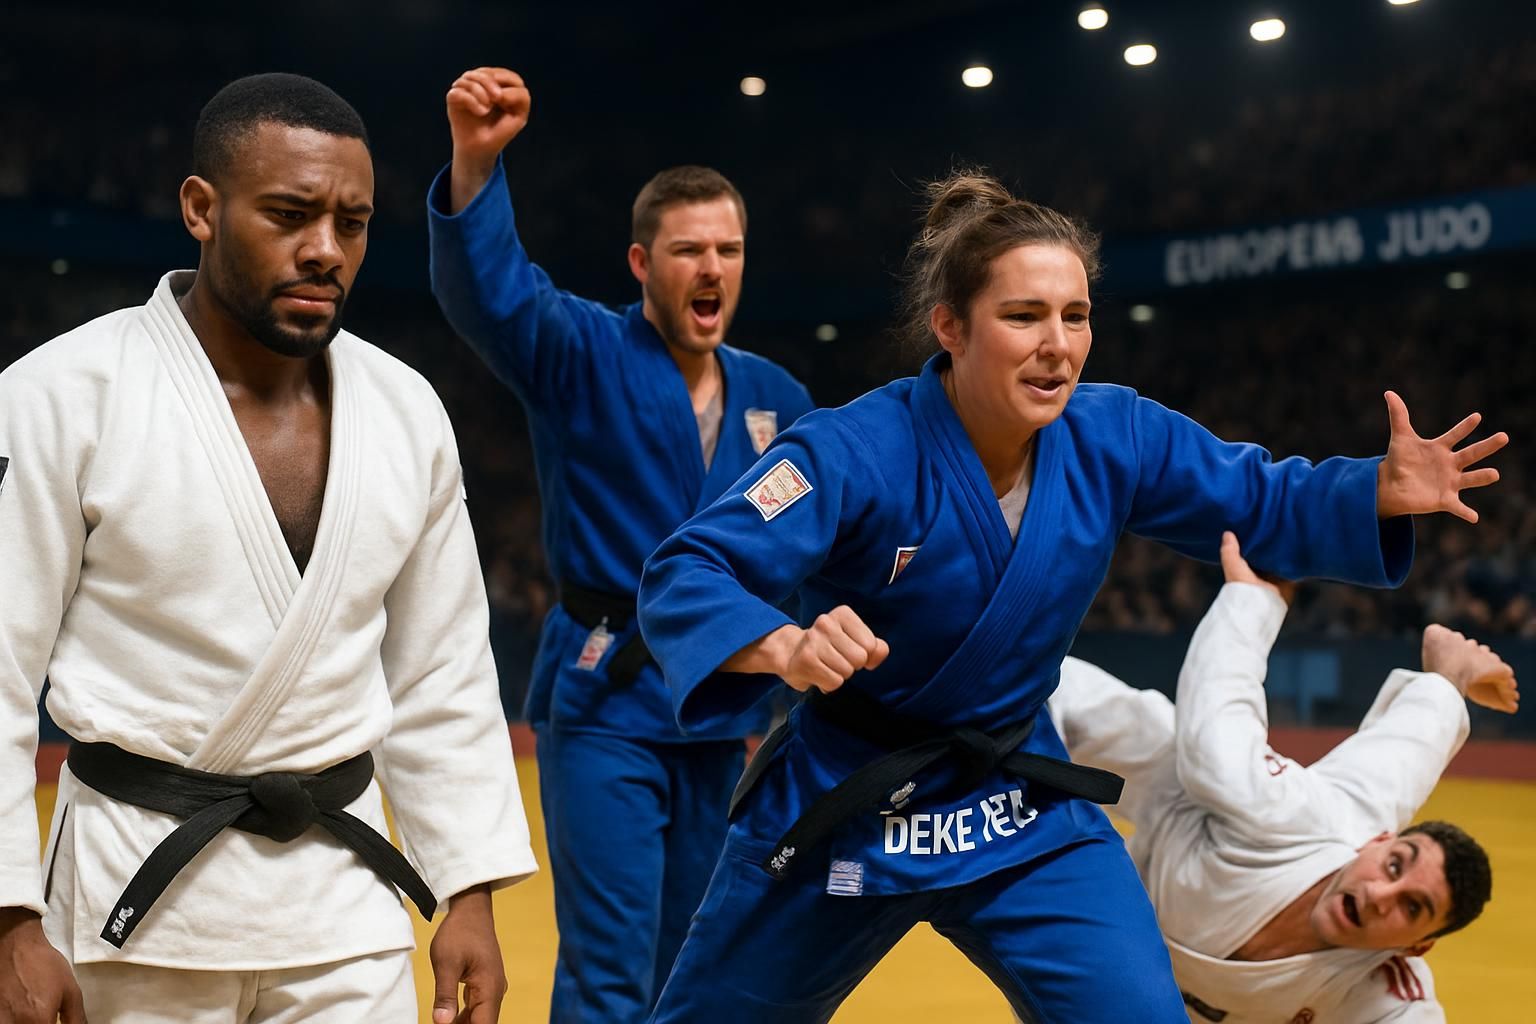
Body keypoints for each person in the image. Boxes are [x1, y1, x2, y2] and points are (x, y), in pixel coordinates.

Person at [636, 170, 1509, 1022]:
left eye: (1076, 315)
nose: (1057, 343)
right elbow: (691, 568)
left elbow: (1258, 498)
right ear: (951, 326)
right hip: (850, 797)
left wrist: (1373, 490)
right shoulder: (850, 450)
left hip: (1013, 803)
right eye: (1023, 316)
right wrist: (786, 646)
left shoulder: (1111, 435)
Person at [0, 74, 536, 1024]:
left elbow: (442, 670)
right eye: (289, 215)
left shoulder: (405, 409)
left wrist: (469, 891)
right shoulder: (63, 394)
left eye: (352, 224)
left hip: (346, 911)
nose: (325, 249)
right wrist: (7, 921)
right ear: (201, 209)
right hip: (136, 905)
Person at [426, 66, 814, 1022]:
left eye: (728, 249)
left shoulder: (779, 399)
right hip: (606, 695)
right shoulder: (583, 352)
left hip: (722, 711)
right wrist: (476, 163)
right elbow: (495, 296)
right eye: (688, 250)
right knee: (610, 973)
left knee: (694, 966)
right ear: (643, 263)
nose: (712, 268)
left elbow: (819, 545)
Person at [1048, 531, 1512, 1023]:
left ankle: (1444, 684)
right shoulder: (1283, 813)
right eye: (1394, 866)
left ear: (1417, 946)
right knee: (1143, 737)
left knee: (1382, 777)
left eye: (1412, 907)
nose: (1379, 895)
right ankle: (1446, 681)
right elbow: (1218, 739)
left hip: (1121, 951)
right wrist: (1253, 602)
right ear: (1377, 843)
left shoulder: (1383, 997)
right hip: (1195, 815)